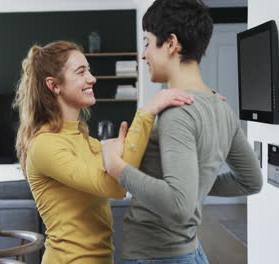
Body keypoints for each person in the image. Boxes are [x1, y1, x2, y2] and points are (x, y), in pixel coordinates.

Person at [101, 1, 263, 263]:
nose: (144, 55)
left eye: (147, 42)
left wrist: (116, 167)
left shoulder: (177, 112)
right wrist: (194, 187)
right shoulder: (221, 108)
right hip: (190, 252)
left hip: (157, 256)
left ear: (171, 43)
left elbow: (179, 204)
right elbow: (251, 180)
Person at [13, 40, 194, 263]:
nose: (92, 78)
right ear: (54, 85)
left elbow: (124, 168)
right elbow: (114, 186)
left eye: (89, 70)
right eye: (81, 72)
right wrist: (146, 110)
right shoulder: (45, 145)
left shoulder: (83, 138)